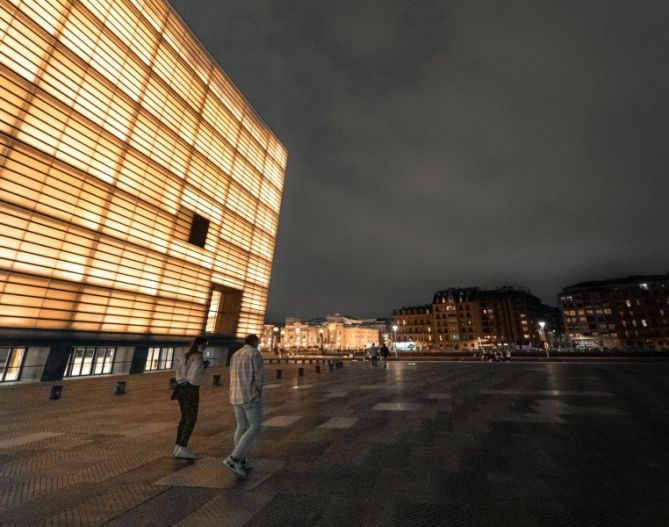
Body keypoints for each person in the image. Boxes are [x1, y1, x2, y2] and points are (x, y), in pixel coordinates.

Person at [224, 334, 263, 478]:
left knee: (241, 426)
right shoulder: (254, 353)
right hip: (249, 396)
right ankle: (234, 459)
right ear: (254, 342)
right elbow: (258, 376)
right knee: (255, 426)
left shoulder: (235, 354)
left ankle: (241, 460)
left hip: (235, 395)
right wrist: (258, 391)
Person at [173, 336, 207, 460]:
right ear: (201, 345)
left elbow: (177, 371)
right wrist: (204, 367)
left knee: (184, 418)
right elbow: (194, 378)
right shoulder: (198, 358)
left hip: (180, 389)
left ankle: (178, 446)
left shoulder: (185, 356)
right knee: (191, 419)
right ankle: (182, 447)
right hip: (191, 390)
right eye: (205, 345)